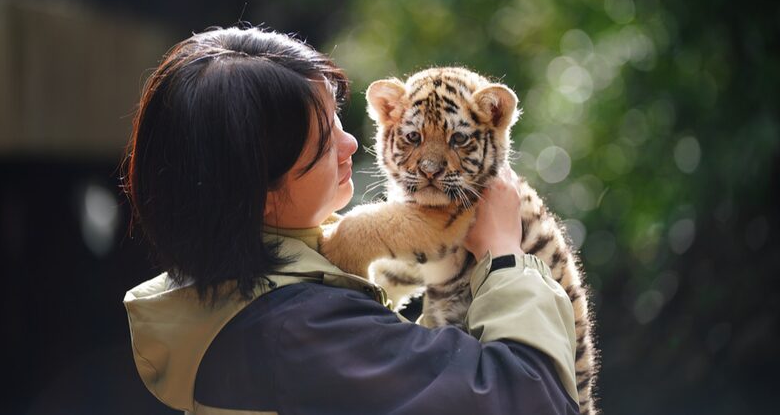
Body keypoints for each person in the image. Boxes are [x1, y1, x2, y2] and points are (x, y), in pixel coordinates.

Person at [123, 26, 579, 415]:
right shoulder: (302, 332)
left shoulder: (243, 294)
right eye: (324, 140)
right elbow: (532, 399)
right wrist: (503, 255)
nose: (351, 146)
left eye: (339, 119)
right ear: (255, 189)